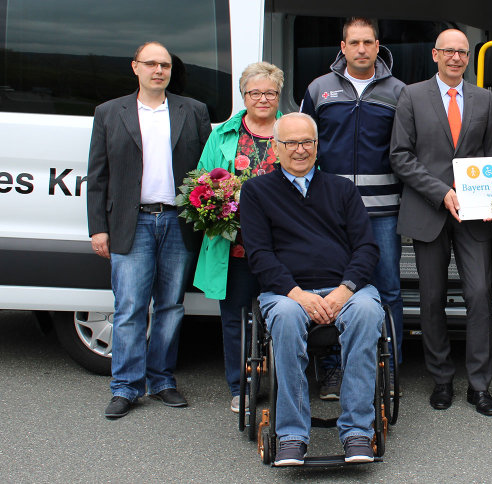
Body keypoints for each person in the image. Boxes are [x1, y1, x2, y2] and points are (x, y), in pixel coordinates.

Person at [241, 113, 383, 465]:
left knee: (367, 312)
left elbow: (367, 248)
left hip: (345, 290)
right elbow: (259, 255)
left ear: (317, 146)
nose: (300, 150)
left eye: (307, 142)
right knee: (287, 320)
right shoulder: (256, 192)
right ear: (276, 148)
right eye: (291, 143)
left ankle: (358, 432)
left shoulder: (342, 189)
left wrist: (344, 291)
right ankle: (290, 434)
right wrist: (297, 294)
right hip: (287, 292)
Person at [87, 41, 211, 419]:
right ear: (135, 67)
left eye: (166, 65)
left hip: (177, 221)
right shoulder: (110, 113)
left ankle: (161, 380)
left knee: (171, 306)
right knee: (129, 308)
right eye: (151, 64)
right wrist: (99, 229)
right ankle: (125, 387)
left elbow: (207, 170)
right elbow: (97, 176)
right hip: (131, 222)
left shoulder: (193, 111)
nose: (159, 70)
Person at [390, 29, 492, 416]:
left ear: (468, 58)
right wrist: (439, 191)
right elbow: (400, 155)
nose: (456, 57)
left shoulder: (483, 98)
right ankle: (441, 380)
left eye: (462, 52)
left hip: (473, 214)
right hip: (429, 210)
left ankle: (479, 385)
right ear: (435, 54)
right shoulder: (412, 95)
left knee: (477, 296)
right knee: (432, 298)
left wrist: (486, 196)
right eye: (449, 51)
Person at [301, 17, 405, 401]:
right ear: (342, 47)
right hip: (331, 212)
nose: (361, 49)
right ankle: (332, 370)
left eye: (368, 42)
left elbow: (404, 150)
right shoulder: (319, 89)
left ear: (378, 46)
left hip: (383, 210)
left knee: (389, 290)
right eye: (354, 43)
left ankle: (389, 370)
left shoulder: (399, 91)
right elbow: (301, 146)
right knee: (330, 288)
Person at [193, 62, 283, 413]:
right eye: (254, 92)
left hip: (281, 247)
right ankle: (240, 386)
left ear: (278, 96)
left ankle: (282, 381)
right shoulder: (224, 134)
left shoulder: (290, 130)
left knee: (283, 315)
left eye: (270, 93)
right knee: (235, 319)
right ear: (244, 96)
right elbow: (202, 181)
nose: (262, 98)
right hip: (234, 245)